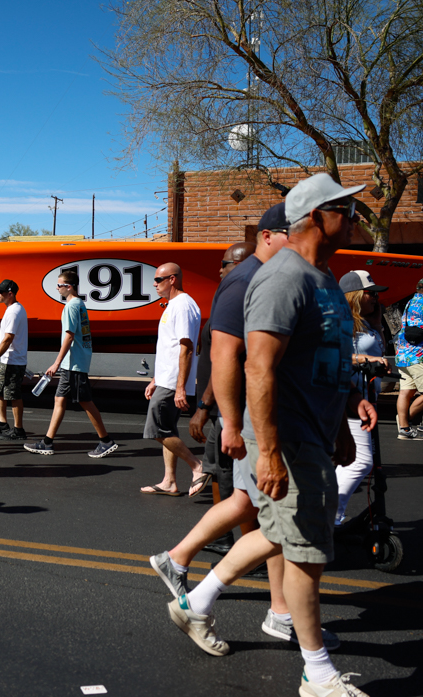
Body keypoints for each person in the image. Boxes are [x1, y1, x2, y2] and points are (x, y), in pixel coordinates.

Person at [167, 174, 376, 697]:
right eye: (346, 211)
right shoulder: (284, 278)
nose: (355, 219)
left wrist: (344, 416)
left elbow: (325, 357)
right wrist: (269, 451)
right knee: (306, 551)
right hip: (287, 436)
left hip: (315, 433)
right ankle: (317, 673)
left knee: (281, 535)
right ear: (316, 217)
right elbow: (257, 367)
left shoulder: (325, 278)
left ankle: (196, 603)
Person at [187, 241, 255, 554]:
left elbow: (226, 360)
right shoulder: (233, 297)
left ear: (239, 265)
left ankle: (246, 549)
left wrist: (204, 406)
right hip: (225, 409)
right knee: (219, 471)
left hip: (229, 409)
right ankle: (222, 537)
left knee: (236, 478)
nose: (219, 269)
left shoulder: (240, 299)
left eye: (225, 263)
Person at [24, 270, 119, 458]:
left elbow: (69, 336)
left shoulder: (71, 307)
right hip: (73, 363)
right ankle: (47, 443)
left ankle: (106, 441)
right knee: (59, 400)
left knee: (85, 401)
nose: (57, 288)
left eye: (59, 285)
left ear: (69, 287)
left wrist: (56, 363)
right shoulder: (79, 304)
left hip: (74, 363)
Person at [140, 263, 207, 497]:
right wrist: (155, 379)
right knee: (167, 429)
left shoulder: (183, 305)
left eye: (158, 280)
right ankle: (169, 482)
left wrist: (180, 388)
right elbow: (168, 348)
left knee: (157, 430)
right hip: (166, 379)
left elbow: (186, 348)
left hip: (172, 382)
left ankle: (197, 466)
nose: (154, 284)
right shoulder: (174, 305)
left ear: (172, 279)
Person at [337, 270, 390, 524]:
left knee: (348, 460)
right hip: (350, 398)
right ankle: (330, 515)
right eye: (371, 293)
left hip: (366, 397)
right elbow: (333, 356)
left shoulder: (366, 323)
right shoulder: (340, 323)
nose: (375, 298)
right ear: (355, 295)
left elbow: (380, 350)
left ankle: (330, 514)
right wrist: (364, 359)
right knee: (361, 462)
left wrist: (378, 325)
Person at [0, 279, 28, 441]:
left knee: (13, 395)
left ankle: (18, 430)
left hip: (13, 361)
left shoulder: (14, 312)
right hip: (8, 360)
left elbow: (8, 338)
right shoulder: (12, 309)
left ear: (10, 294)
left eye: (0, 292)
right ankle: (3, 424)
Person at [394, 278, 423, 439]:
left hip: (403, 354)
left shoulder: (410, 302)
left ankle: (404, 429)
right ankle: (405, 419)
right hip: (418, 355)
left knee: (406, 392)